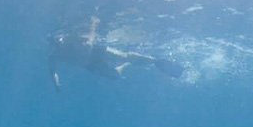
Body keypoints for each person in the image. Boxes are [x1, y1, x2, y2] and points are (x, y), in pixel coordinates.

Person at [49, 16, 183, 91]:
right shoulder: (55, 54)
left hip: (96, 51)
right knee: (115, 76)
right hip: (89, 64)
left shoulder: (70, 37)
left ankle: (156, 61)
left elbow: (90, 36)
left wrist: (94, 24)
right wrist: (57, 84)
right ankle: (126, 64)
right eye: (57, 42)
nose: (60, 42)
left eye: (60, 40)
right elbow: (53, 71)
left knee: (124, 55)